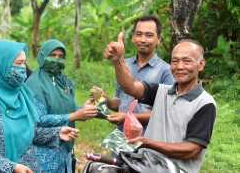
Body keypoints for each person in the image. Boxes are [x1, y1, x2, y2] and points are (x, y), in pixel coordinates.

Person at [104, 34, 216, 173]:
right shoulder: (161, 91)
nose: (179, 66)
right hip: (146, 166)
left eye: (187, 61)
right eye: (175, 61)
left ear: (201, 65)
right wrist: (118, 61)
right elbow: (131, 87)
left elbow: (191, 150)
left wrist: (148, 143)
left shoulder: (205, 103)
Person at [0, 40, 78, 173]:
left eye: (24, 63)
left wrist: (56, 133)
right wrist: (11, 167)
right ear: (0, 66)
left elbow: (28, 133)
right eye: (18, 64)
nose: (23, 68)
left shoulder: (21, 96)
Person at [26, 39, 98, 173]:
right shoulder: (34, 84)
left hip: (66, 148)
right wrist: (73, 116)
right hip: (45, 154)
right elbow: (38, 119)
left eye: (60, 57)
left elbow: (66, 107)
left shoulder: (64, 81)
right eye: (52, 55)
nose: (56, 60)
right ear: (42, 55)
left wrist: (82, 109)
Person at [105, 15, 174, 131]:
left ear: (159, 40)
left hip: (148, 142)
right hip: (120, 140)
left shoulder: (167, 71)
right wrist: (106, 100)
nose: (143, 40)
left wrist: (128, 117)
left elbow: (167, 114)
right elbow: (121, 102)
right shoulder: (124, 65)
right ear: (132, 38)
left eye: (149, 35)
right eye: (139, 34)